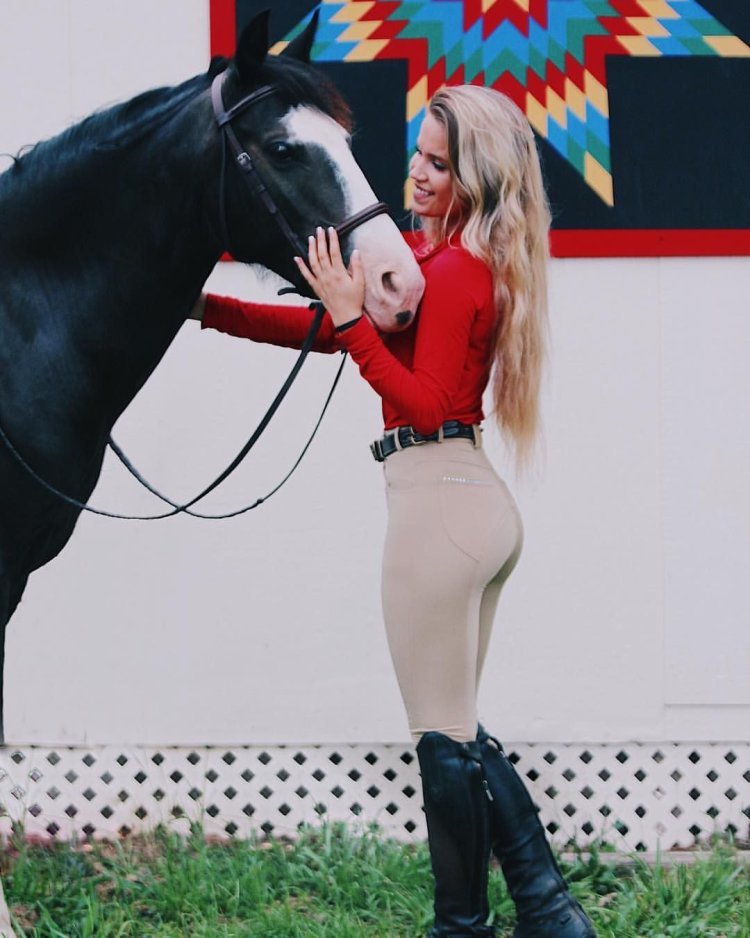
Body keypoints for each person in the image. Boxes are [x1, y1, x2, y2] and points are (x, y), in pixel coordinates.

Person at [192, 85, 596, 938]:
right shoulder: (440, 263)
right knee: (460, 734)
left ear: (475, 179)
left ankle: (462, 926)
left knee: (440, 746)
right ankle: (548, 913)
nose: (417, 174)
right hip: (466, 507)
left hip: (437, 510)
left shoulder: (453, 273)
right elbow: (337, 336)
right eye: (418, 153)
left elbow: (422, 401)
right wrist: (212, 313)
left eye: (439, 164)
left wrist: (348, 312)